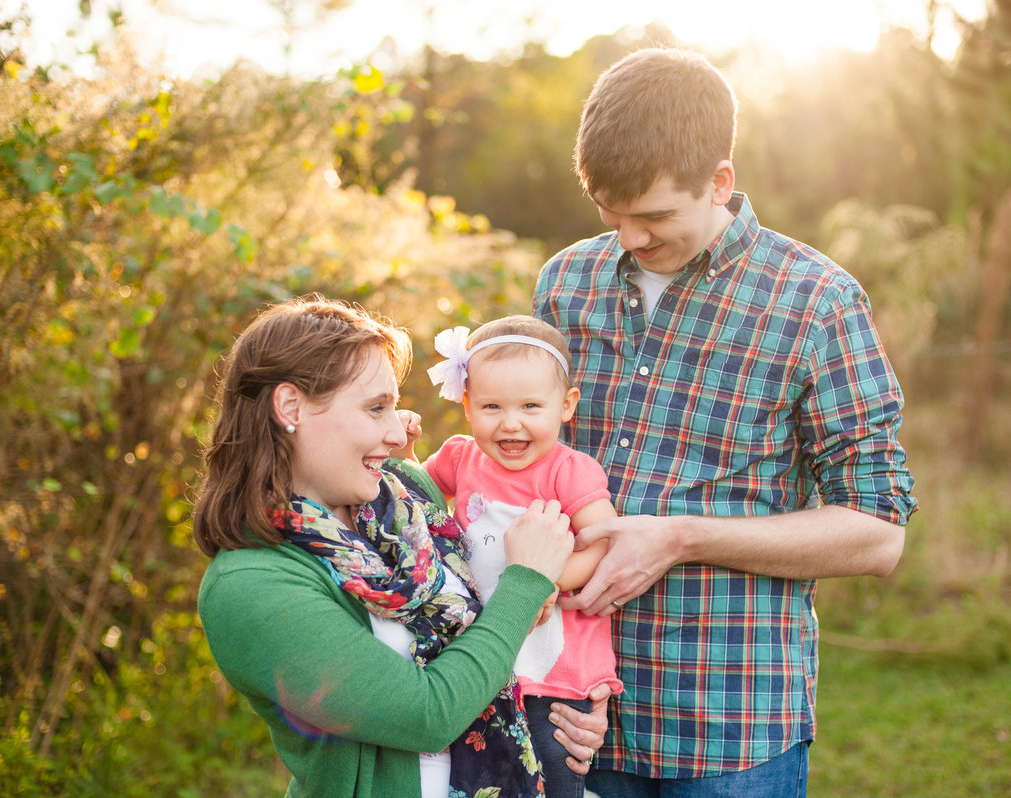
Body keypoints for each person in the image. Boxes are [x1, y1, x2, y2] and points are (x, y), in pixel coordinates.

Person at [533, 48, 918, 796]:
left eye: (654, 217)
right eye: (611, 216)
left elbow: (878, 533)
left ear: (720, 182)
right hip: (573, 714)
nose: (631, 240)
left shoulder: (815, 303)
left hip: (727, 727)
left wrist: (679, 537)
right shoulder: (565, 282)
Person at [193, 295, 609, 798]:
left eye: (393, 405)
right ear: (291, 407)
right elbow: (427, 716)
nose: (396, 432)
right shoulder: (253, 584)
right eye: (375, 409)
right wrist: (527, 583)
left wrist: (575, 703)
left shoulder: (405, 496)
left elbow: (503, 646)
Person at [396, 315, 624, 798]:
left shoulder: (570, 471)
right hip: (481, 657)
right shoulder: (460, 457)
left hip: (553, 667)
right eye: (492, 406)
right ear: (467, 404)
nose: (511, 422)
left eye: (530, 406)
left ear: (565, 406)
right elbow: (419, 499)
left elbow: (603, 543)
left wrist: (549, 580)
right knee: (491, 778)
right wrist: (409, 449)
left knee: (555, 775)